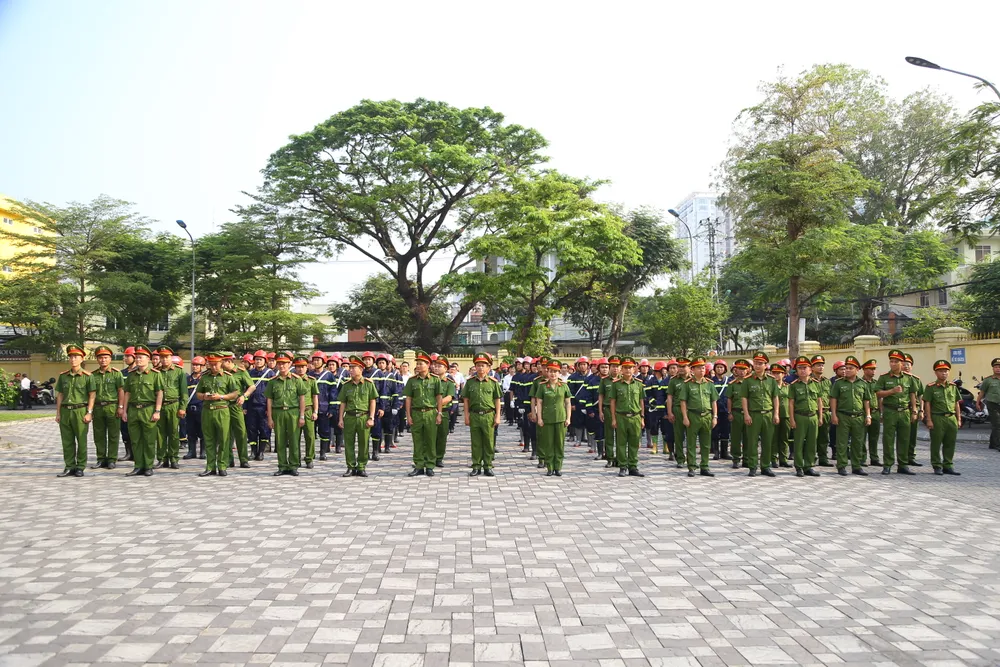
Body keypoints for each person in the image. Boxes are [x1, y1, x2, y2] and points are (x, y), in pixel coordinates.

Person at [122, 345, 164, 477]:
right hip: (134, 409)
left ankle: (148, 465)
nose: (138, 360)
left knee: (149, 439)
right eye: (137, 357)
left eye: (141, 357)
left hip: (148, 409)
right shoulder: (131, 375)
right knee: (135, 439)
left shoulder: (155, 374)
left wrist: (157, 411)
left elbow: (159, 393)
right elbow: (127, 393)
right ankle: (138, 465)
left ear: (148, 359)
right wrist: (124, 410)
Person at [873, 349, 917, 475]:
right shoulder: (884, 378)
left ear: (901, 363)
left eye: (896, 361)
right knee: (888, 439)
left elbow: (913, 394)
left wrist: (914, 410)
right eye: (891, 361)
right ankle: (887, 464)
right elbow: (878, 393)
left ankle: (903, 465)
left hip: (904, 412)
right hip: (890, 411)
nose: (893, 363)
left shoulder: (909, 378)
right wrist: (891, 391)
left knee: (904, 439)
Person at [195, 352, 239, 477]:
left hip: (222, 410)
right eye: (211, 364)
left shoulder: (228, 377)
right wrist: (204, 396)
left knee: (224, 439)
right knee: (209, 439)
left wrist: (222, 396)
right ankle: (210, 466)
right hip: (207, 410)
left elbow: (235, 393)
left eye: (216, 364)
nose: (214, 367)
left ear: (221, 363)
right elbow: (198, 393)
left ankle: (222, 466)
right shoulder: (204, 377)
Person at [54, 344, 95, 477]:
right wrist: (58, 413)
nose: (73, 359)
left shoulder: (88, 376)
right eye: (71, 357)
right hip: (66, 411)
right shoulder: (63, 376)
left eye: (76, 357)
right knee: (67, 441)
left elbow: (92, 395)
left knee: (81, 440)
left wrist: (89, 412)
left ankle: (80, 466)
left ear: (82, 359)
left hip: (80, 411)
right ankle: (69, 466)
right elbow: (60, 394)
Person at [829, 355, 872, 476]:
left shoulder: (862, 384)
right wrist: (834, 415)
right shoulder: (838, 383)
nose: (847, 370)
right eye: (846, 368)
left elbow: (866, 401)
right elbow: (833, 399)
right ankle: (841, 466)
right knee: (842, 442)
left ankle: (856, 466)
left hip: (858, 416)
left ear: (857, 370)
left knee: (858, 442)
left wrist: (868, 415)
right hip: (843, 415)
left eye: (850, 368)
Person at [265, 352, 307, 477]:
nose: (281, 366)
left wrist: (302, 416)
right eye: (279, 363)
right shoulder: (272, 382)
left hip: (293, 412)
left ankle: (293, 466)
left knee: (294, 440)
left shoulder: (296, 380)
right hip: (278, 412)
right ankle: (282, 466)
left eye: (284, 363)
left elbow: (302, 399)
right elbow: (269, 400)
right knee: (280, 440)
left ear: (290, 364)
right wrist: (270, 418)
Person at [462, 352, 503, 476]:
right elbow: (466, 400)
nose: (480, 368)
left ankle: (488, 466)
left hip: (488, 415)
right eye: (478, 365)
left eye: (483, 365)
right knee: (476, 442)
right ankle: (476, 466)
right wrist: (466, 416)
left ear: (488, 368)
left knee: (489, 442)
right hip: (474, 415)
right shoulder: (470, 382)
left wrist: (498, 416)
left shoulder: (493, 382)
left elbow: (497, 400)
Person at [403, 351, 443, 477]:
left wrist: (439, 413)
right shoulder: (412, 381)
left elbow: (439, 397)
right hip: (416, 413)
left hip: (431, 413)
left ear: (428, 365)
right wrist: (408, 416)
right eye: (418, 363)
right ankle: (419, 465)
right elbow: (408, 399)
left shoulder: (435, 380)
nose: (418, 366)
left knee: (431, 440)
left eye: (421, 364)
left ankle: (430, 465)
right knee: (418, 441)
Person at [338, 355, 378, 477]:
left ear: (361, 369)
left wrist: (371, 417)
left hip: (363, 416)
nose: (350, 370)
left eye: (353, 367)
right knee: (349, 443)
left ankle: (361, 466)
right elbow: (343, 403)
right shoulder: (346, 385)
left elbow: (372, 401)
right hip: (349, 417)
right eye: (349, 367)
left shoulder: (368, 384)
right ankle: (350, 466)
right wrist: (340, 418)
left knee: (363, 443)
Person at [678, 356, 718, 477]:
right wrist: (685, 417)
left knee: (706, 444)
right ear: (692, 370)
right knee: (691, 443)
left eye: (703, 367)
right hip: (693, 415)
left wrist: (715, 416)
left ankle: (705, 466)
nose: (702, 370)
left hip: (707, 416)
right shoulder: (687, 384)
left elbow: (713, 401)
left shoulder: (709, 384)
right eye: (699, 368)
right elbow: (683, 401)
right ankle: (692, 467)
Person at [741, 352, 780, 477]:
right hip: (754, 414)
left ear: (765, 365)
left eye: (760, 363)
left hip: (768, 414)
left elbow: (775, 398)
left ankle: (765, 466)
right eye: (755, 363)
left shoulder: (771, 380)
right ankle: (752, 466)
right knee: (752, 442)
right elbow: (744, 398)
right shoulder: (747, 381)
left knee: (767, 442)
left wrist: (776, 414)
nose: (757, 366)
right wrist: (746, 414)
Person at [924, 359, 962, 476]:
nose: (944, 373)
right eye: (941, 371)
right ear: (936, 373)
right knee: (936, 443)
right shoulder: (931, 387)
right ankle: (936, 465)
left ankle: (948, 465)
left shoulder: (952, 386)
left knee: (950, 442)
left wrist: (958, 418)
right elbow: (927, 404)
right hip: (937, 418)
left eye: (946, 371)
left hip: (951, 418)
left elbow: (956, 403)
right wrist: (929, 420)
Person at [610, 356, 646, 477]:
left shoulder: (639, 384)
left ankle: (633, 466)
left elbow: (641, 401)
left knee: (634, 442)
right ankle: (622, 466)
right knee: (621, 443)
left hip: (635, 417)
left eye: (630, 368)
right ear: (621, 369)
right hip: (621, 417)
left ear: (634, 369)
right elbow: (613, 402)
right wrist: (614, 418)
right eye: (625, 367)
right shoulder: (616, 384)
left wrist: (642, 417)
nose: (627, 370)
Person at [89, 345, 124, 470]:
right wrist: (90, 410)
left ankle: (111, 459)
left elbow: (121, 391)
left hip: (112, 407)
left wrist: (120, 406)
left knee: (113, 435)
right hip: (98, 408)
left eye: (105, 357)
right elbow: (91, 394)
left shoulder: (116, 374)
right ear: (97, 359)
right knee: (99, 435)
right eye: (100, 358)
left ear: (110, 359)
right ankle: (101, 459)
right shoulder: (92, 375)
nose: (103, 360)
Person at [534, 359, 571, 476]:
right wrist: (539, 418)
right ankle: (549, 467)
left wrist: (568, 418)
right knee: (548, 444)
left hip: (561, 419)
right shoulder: (542, 386)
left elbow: (568, 403)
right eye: (550, 371)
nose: (553, 374)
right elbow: (538, 403)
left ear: (559, 373)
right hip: (547, 419)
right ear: (547, 372)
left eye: (555, 371)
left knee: (559, 444)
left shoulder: (564, 386)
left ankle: (558, 467)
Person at [788, 356, 822, 477]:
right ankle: (799, 467)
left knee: (812, 442)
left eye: (805, 368)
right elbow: (791, 403)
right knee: (799, 442)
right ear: (796, 370)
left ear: (810, 369)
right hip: (799, 416)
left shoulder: (816, 384)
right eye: (800, 368)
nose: (802, 370)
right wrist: (792, 419)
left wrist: (820, 417)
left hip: (813, 416)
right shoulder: (793, 385)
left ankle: (809, 466)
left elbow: (819, 401)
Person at [153, 346, 187, 469]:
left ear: (171, 358)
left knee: (173, 432)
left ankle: (173, 458)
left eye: (166, 357)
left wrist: (182, 407)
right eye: (162, 357)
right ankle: (161, 458)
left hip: (174, 404)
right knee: (160, 433)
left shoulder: (179, 371)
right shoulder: (155, 372)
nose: (164, 360)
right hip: (160, 406)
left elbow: (184, 391)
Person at [223, 352, 253, 468]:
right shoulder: (221, 374)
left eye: (222, 362)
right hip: (224, 406)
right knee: (226, 433)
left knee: (241, 432)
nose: (219, 364)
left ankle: (243, 459)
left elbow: (252, 386)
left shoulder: (241, 372)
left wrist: (244, 396)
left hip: (236, 405)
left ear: (229, 361)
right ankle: (228, 459)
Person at [246, 350, 274, 460]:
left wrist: (269, 409)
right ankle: (253, 451)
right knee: (251, 429)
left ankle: (261, 452)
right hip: (251, 406)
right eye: (256, 359)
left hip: (264, 407)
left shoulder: (270, 374)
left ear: (265, 361)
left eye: (260, 359)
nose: (258, 361)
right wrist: (244, 407)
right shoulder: (250, 373)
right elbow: (245, 389)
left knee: (264, 429)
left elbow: (272, 393)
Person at [293, 356, 320, 468]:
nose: (300, 369)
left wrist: (315, 411)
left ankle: (309, 458)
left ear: (307, 367)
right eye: (298, 367)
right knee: (294, 436)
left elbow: (315, 397)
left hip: (308, 410)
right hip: (294, 411)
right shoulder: (291, 380)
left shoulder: (311, 380)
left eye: (303, 367)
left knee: (310, 436)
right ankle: (296, 459)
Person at [432, 355, 457, 468]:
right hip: (430, 412)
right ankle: (428, 458)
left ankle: (439, 458)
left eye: (440, 366)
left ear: (446, 368)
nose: (436, 368)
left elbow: (449, 397)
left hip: (444, 412)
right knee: (429, 436)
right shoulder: (429, 380)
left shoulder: (449, 382)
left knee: (442, 436)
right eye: (435, 366)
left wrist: (433, 403)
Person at [666, 357, 691, 469]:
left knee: (691, 436)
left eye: (683, 366)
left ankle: (691, 459)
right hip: (677, 410)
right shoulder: (673, 381)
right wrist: (670, 412)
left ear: (689, 367)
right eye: (679, 366)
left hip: (691, 411)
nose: (680, 369)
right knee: (678, 436)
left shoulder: (694, 379)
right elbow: (669, 397)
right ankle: (680, 459)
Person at [598, 355, 621, 468]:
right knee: (609, 435)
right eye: (613, 366)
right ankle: (610, 458)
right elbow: (601, 396)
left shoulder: (623, 380)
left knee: (620, 436)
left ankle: (619, 458)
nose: (615, 368)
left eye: (617, 366)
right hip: (607, 409)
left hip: (620, 411)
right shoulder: (605, 380)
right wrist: (600, 411)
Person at [810, 355, 833, 467]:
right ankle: (812, 458)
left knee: (824, 437)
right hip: (813, 413)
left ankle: (823, 458)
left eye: (822, 365)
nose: (821, 367)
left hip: (826, 412)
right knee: (812, 437)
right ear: (812, 367)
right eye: (818, 365)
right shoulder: (808, 381)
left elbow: (831, 397)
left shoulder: (827, 382)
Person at [902, 353, 924, 467]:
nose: (906, 366)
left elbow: (921, 396)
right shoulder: (897, 379)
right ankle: (902, 458)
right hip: (902, 410)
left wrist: (921, 410)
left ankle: (911, 457)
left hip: (913, 410)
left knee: (912, 435)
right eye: (904, 364)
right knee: (903, 436)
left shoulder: (916, 380)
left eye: (908, 364)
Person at [727, 359, 749, 468]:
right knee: (735, 438)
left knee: (748, 437)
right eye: (740, 369)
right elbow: (729, 399)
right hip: (736, 413)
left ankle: (747, 458)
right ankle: (735, 458)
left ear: (748, 370)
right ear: (736, 370)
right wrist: (730, 412)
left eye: (744, 369)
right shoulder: (732, 384)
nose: (742, 371)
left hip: (749, 414)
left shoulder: (750, 382)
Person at [975, 357, 1000, 452]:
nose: (998, 368)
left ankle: (992, 444)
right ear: (993, 368)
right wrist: (978, 402)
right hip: (992, 404)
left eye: (999, 367)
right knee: (997, 424)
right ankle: (998, 445)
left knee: (996, 425)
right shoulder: (988, 380)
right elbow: (981, 392)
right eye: (996, 367)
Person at [860, 359, 882, 467]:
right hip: (863, 413)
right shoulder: (859, 383)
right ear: (864, 370)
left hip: (875, 412)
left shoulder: (876, 383)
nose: (873, 371)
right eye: (871, 369)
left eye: (874, 369)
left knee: (874, 437)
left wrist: (881, 412)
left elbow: (879, 398)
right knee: (862, 437)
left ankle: (874, 458)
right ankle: (862, 458)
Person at [770, 362, 791, 468]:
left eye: (779, 373)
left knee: (784, 438)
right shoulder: (770, 386)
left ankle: (783, 459)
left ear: (784, 374)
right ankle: (773, 459)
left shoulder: (788, 387)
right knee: (773, 438)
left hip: (786, 415)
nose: (776, 375)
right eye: (774, 373)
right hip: (773, 415)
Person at [184, 356, 205, 460]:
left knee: (202, 431)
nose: (195, 367)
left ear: (202, 366)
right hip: (189, 408)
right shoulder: (187, 379)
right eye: (194, 365)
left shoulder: (204, 378)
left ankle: (203, 452)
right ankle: (191, 451)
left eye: (197, 365)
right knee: (190, 431)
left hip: (201, 408)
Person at [645, 361, 669, 455]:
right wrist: (652, 401)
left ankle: (665, 446)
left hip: (664, 409)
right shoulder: (650, 382)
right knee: (654, 427)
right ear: (659, 370)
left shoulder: (666, 381)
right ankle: (654, 446)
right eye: (664, 369)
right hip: (654, 410)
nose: (665, 371)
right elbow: (647, 395)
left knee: (665, 428)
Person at [711, 360, 732, 461]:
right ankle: (716, 452)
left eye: (721, 367)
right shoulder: (710, 381)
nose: (719, 369)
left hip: (725, 410)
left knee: (725, 431)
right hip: (714, 411)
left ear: (725, 369)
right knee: (715, 431)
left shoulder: (728, 381)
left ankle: (725, 452)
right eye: (717, 367)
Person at [118, 347, 136, 462]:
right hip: (125, 406)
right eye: (124, 356)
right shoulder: (122, 373)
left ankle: (137, 453)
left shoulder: (141, 372)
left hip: (136, 405)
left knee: (136, 431)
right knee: (124, 430)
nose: (125, 358)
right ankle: (128, 453)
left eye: (127, 356)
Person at [567, 357, 589, 446]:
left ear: (588, 366)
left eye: (585, 364)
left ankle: (589, 441)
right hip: (577, 404)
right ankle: (578, 440)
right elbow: (570, 392)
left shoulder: (591, 377)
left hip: (588, 403)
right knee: (577, 423)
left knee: (589, 423)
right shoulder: (572, 377)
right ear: (578, 366)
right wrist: (572, 404)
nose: (583, 366)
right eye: (581, 365)